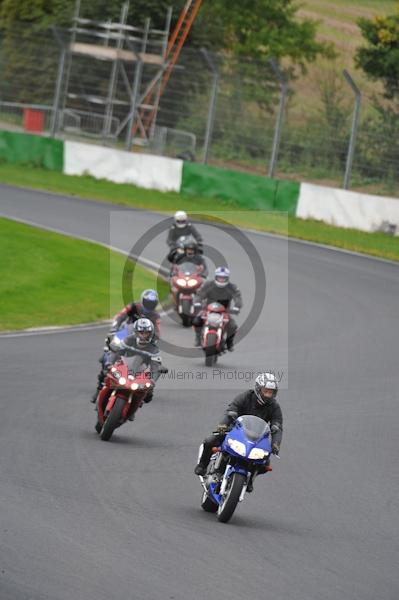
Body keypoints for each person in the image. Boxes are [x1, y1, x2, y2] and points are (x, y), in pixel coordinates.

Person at [194, 373, 283, 492]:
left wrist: (276, 444)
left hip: (256, 437)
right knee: (210, 441)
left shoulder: (274, 406)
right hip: (235, 430)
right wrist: (223, 425)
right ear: (258, 389)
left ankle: (250, 478)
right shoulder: (245, 396)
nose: (268, 395)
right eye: (265, 391)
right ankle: (202, 465)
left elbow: (277, 425)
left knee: (265, 461)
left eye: (270, 392)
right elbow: (232, 409)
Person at [97, 318, 164, 406]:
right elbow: (117, 351)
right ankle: (101, 390)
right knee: (107, 372)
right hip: (124, 366)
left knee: (147, 394)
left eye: (146, 333)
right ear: (136, 332)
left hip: (141, 371)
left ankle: (137, 402)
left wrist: (152, 381)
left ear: (150, 334)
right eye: (141, 332)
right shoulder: (129, 339)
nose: (144, 335)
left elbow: (155, 366)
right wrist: (110, 364)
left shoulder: (154, 348)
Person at [192, 266, 242, 350]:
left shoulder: (232, 287)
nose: (221, 279)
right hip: (208, 309)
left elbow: (237, 297)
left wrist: (237, 307)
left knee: (232, 326)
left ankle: (229, 343)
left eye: (223, 278)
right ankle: (198, 338)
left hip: (224, 311)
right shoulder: (208, 284)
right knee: (196, 321)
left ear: (227, 278)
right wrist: (197, 302)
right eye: (219, 277)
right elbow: (200, 294)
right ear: (216, 277)